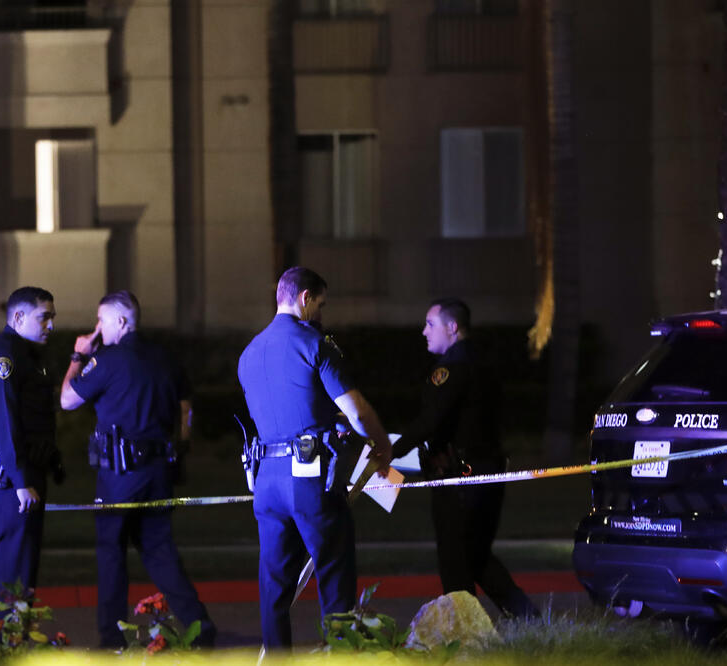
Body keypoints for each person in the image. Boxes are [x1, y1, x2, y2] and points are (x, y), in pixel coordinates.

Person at [237, 266, 392, 650]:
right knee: (334, 575)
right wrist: (382, 444)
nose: (322, 314)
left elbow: (280, 409)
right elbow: (356, 411)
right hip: (309, 479)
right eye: (320, 304)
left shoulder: (249, 353)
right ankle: (340, 655)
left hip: (266, 480)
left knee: (274, 587)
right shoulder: (313, 344)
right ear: (305, 298)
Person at [60, 290, 215, 649]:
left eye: (102, 320)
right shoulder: (164, 356)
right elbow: (185, 406)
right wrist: (183, 445)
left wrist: (78, 356)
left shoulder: (108, 360)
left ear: (122, 321)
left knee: (111, 549)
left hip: (119, 474)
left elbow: (67, 399)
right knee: (159, 549)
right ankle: (199, 624)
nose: (97, 328)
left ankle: (111, 637)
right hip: (159, 469)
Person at [391, 298, 539, 620]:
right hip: (488, 472)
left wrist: (390, 451)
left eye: (431, 324)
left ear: (452, 327)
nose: (424, 331)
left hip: (459, 477)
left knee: (456, 563)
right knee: (477, 556)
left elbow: (432, 421)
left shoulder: (450, 368)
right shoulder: (485, 362)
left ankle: (466, 633)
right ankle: (528, 619)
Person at [0, 286, 63, 643]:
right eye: (45, 317)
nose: (51, 325)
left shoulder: (26, 356)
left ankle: (12, 645)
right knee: (13, 573)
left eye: (52, 316)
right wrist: (22, 479)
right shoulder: (3, 358)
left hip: (17, 477)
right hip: (7, 481)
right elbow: (2, 424)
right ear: (19, 317)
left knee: (21, 573)